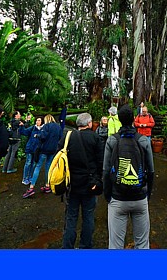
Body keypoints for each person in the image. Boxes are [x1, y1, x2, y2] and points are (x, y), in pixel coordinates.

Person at [104, 105, 154, 249]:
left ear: (118, 119)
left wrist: (108, 196)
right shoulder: (143, 140)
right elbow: (150, 171)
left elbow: (106, 171)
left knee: (115, 245)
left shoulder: (112, 140)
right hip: (140, 198)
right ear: (133, 119)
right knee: (143, 244)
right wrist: (147, 194)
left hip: (118, 198)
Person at [61, 113, 104, 249]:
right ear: (89, 124)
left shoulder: (68, 137)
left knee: (71, 217)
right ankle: (85, 246)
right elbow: (101, 162)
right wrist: (98, 180)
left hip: (71, 184)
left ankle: (67, 246)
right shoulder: (95, 138)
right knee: (88, 216)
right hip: (89, 184)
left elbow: (60, 159)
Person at [23, 114, 62, 198]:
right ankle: (47, 185)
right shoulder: (58, 127)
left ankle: (31, 187)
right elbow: (60, 137)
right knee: (48, 167)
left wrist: (37, 135)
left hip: (44, 150)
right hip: (53, 150)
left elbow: (43, 137)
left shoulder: (46, 126)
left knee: (38, 167)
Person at [19, 116, 43, 186]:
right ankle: (25, 178)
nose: (37, 122)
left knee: (33, 164)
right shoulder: (33, 128)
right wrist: (22, 126)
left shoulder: (43, 130)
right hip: (30, 148)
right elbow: (24, 132)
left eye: (39, 120)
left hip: (37, 150)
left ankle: (30, 177)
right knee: (28, 163)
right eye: (36, 120)